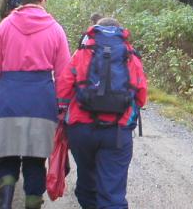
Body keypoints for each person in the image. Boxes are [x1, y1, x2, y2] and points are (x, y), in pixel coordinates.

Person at [56, 17, 147, 209]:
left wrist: (62, 115)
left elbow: (63, 88)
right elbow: (141, 96)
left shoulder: (83, 52)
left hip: (81, 130)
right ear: (118, 31)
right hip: (117, 132)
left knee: (87, 182)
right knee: (112, 192)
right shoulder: (130, 55)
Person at [0, 0, 70, 209]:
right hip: (41, 102)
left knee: (7, 156)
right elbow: (64, 74)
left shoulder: (4, 26)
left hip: (8, 99)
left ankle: (6, 200)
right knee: (35, 161)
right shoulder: (55, 29)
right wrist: (63, 108)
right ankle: (32, 204)